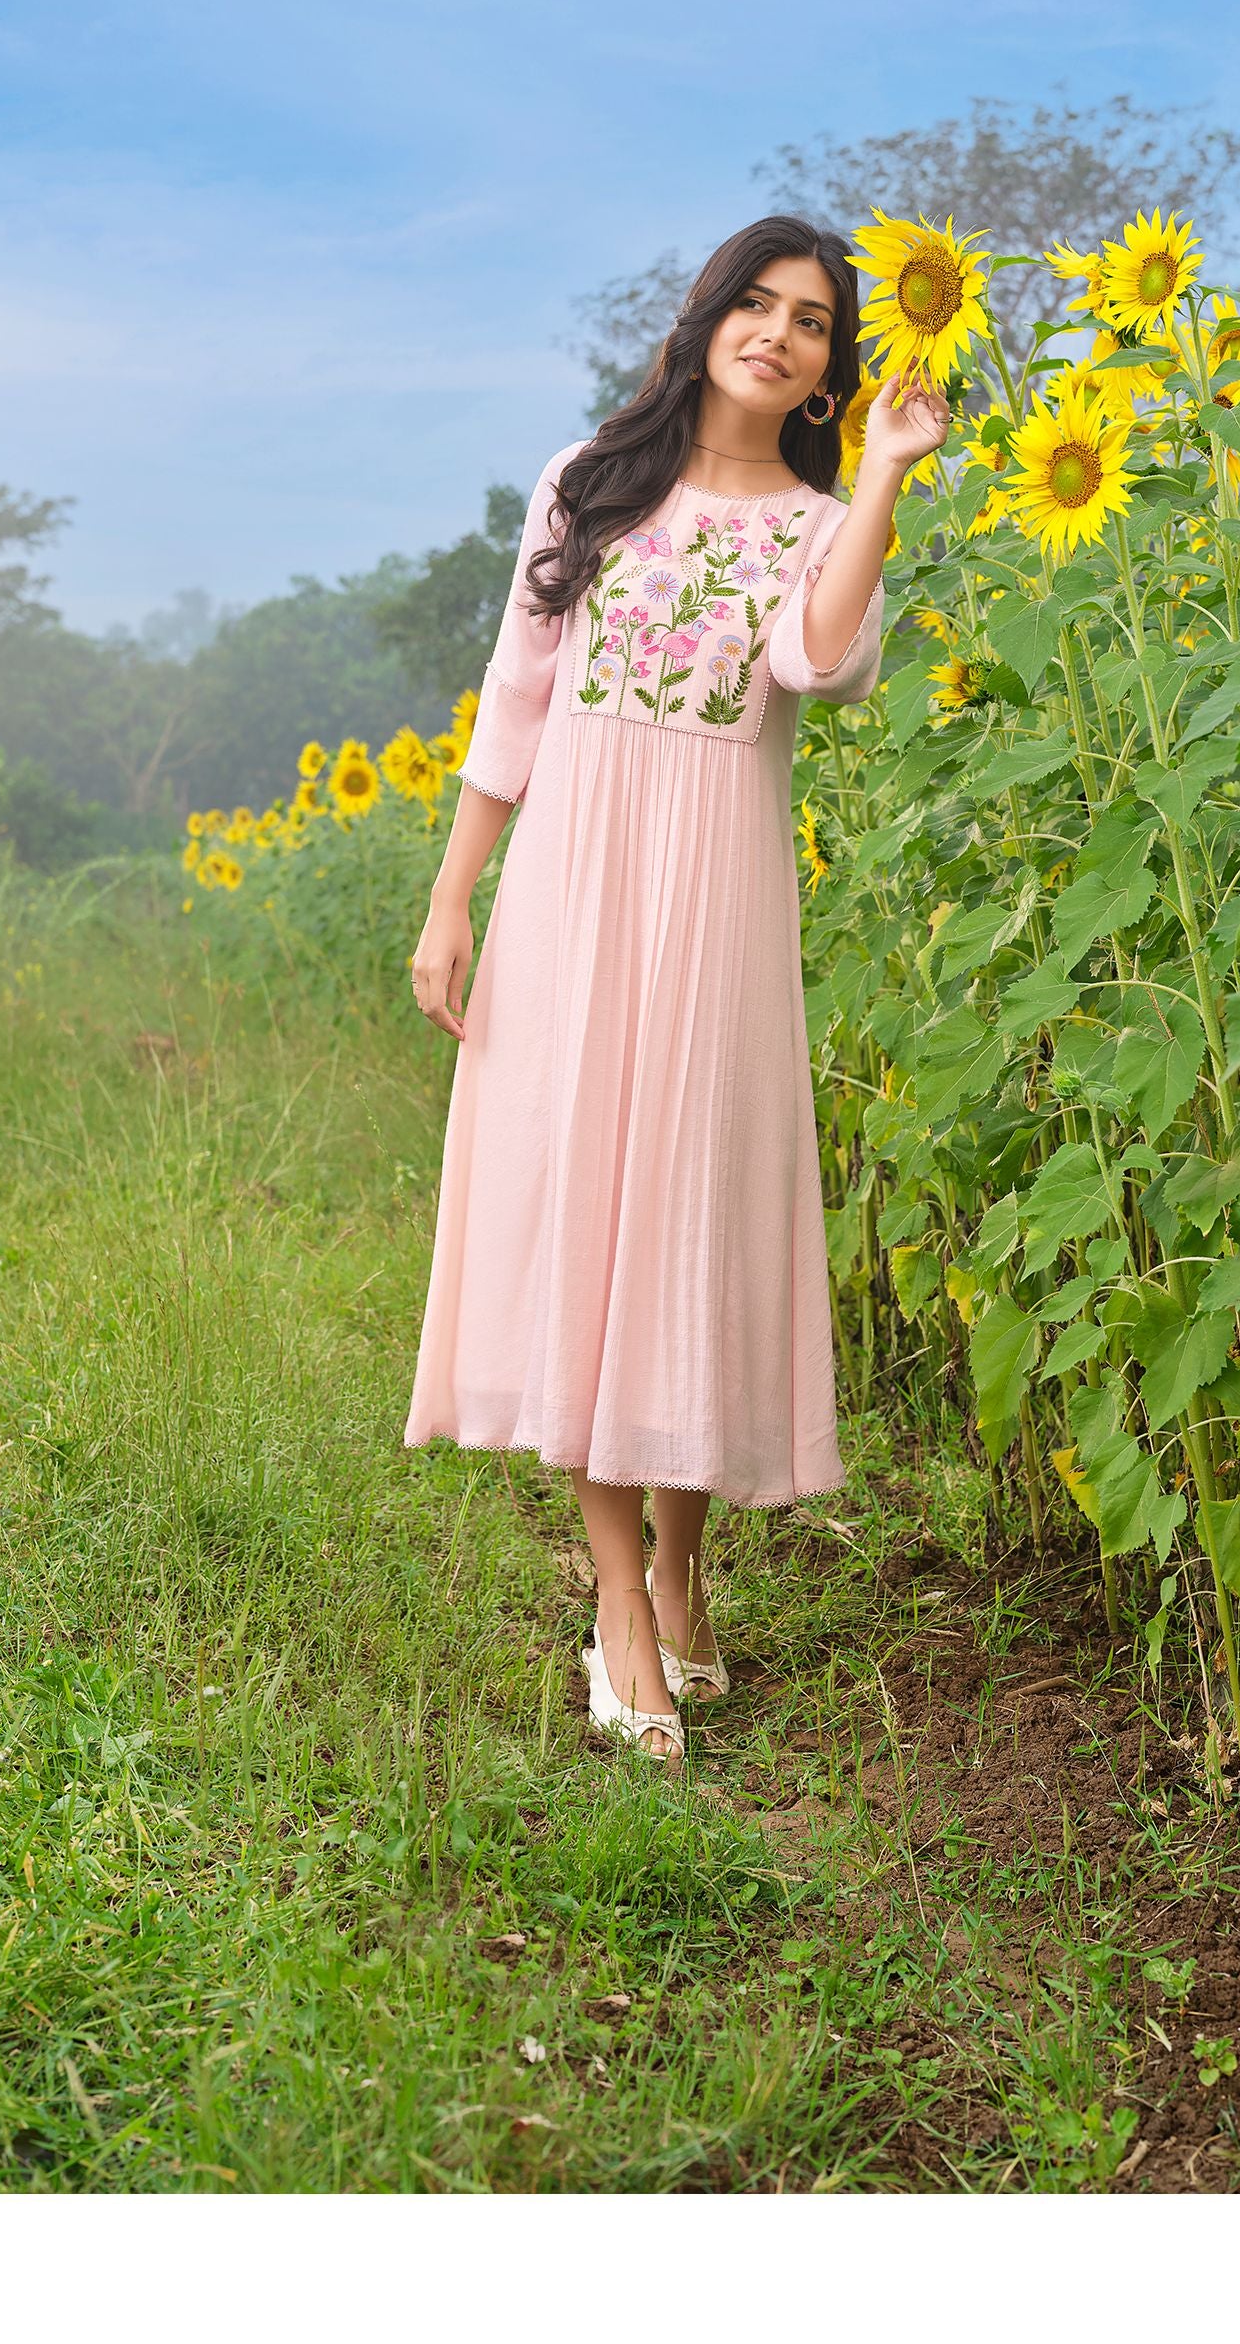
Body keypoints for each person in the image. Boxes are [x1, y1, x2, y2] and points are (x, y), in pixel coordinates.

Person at [403, 213, 949, 1763]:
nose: (780, 333)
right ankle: (621, 1598)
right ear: (708, 318)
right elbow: (514, 703)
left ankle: (691, 1560)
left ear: (832, 368)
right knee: (583, 1206)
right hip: (572, 883)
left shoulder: (816, 518)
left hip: (716, 893)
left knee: (688, 1220)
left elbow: (823, 668)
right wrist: (456, 900)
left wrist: (891, 476)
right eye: (758, 304)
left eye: (814, 323)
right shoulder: (590, 485)